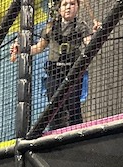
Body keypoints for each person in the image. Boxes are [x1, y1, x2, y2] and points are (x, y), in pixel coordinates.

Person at [9, 0, 100, 130]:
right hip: (55, 73)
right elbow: (38, 48)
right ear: (59, 9)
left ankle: (78, 132)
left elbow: (89, 44)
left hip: (73, 72)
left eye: (72, 4)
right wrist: (21, 50)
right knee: (53, 106)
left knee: (73, 105)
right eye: (65, 4)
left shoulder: (81, 26)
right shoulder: (50, 27)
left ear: (77, 8)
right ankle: (54, 133)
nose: (68, 7)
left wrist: (97, 33)